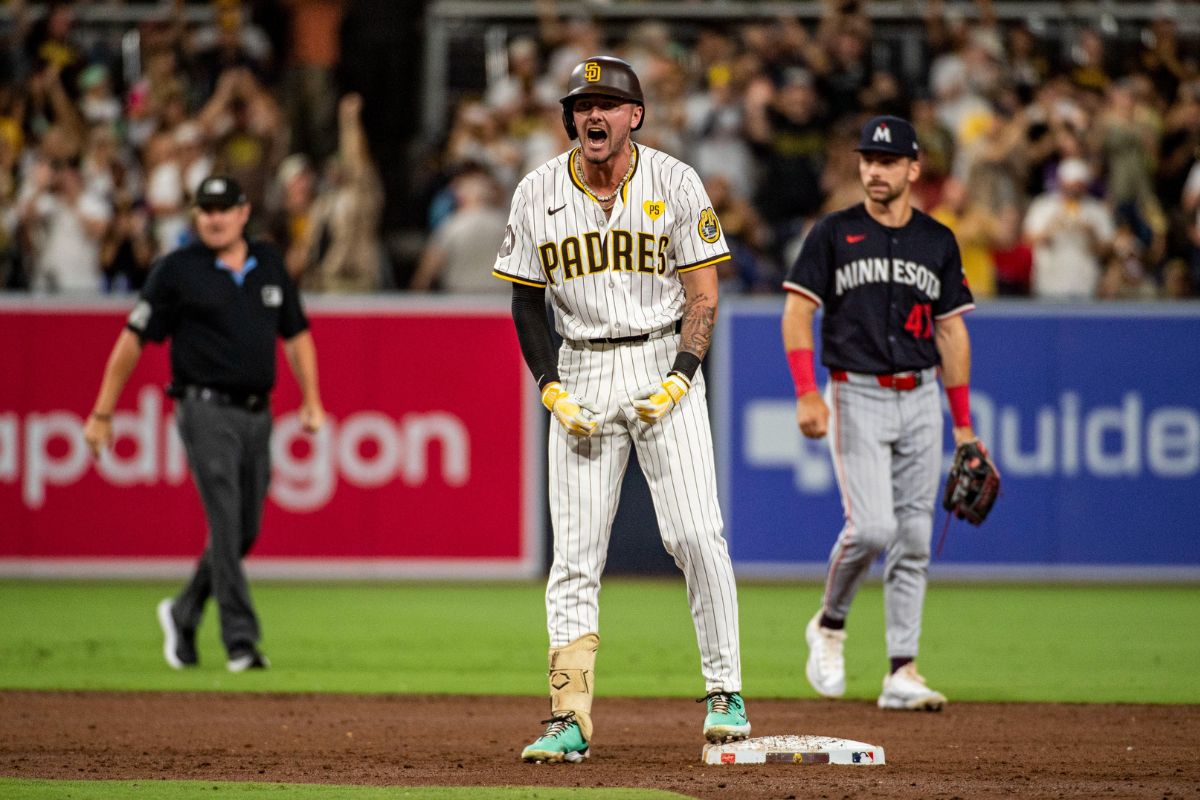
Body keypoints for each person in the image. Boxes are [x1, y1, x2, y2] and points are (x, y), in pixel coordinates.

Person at [493, 55, 750, 763]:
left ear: (634, 115)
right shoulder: (537, 190)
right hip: (578, 364)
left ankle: (725, 692)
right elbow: (524, 297)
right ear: (570, 118)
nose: (593, 115)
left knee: (697, 534)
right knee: (574, 557)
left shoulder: (675, 180)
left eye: (608, 104)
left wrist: (682, 374)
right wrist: (549, 383)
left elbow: (703, 295)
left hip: (662, 357)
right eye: (582, 105)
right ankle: (568, 715)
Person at [780, 116, 985, 711]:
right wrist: (805, 391)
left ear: (913, 169)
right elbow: (797, 314)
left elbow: (951, 335)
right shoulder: (833, 232)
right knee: (872, 529)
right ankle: (830, 623)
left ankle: (902, 671)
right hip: (857, 392)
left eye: (888, 161)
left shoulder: (938, 241)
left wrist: (964, 425)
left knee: (915, 537)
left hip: (921, 394)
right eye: (868, 159)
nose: (875, 169)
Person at [83, 174, 325, 672]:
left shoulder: (269, 263)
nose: (214, 217)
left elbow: (297, 334)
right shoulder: (176, 270)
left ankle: (184, 609)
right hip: (203, 406)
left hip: (258, 411)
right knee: (225, 518)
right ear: (196, 216)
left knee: (245, 529)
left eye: (223, 208)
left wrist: (311, 399)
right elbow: (133, 338)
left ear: (243, 213)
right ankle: (241, 642)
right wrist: (103, 412)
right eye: (205, 208)